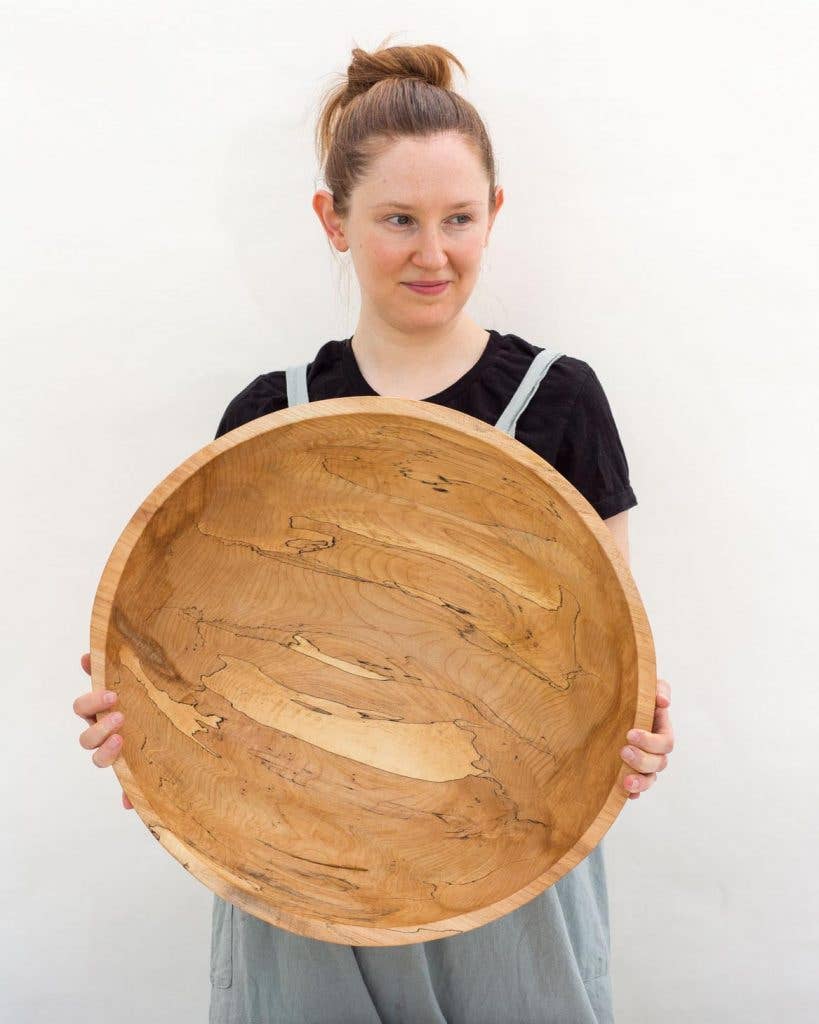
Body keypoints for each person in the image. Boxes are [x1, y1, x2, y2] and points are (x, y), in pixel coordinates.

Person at [73, 39, 674, 1024]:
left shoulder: (558, 402)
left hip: (511, 873)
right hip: (300, 877)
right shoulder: (270, 422)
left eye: (459, 219)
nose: (433, 253)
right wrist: (142, 731)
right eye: (398, 219)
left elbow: (608, 663)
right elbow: (207, 677)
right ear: (334, 220)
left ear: (495, 215)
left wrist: (640, 735)